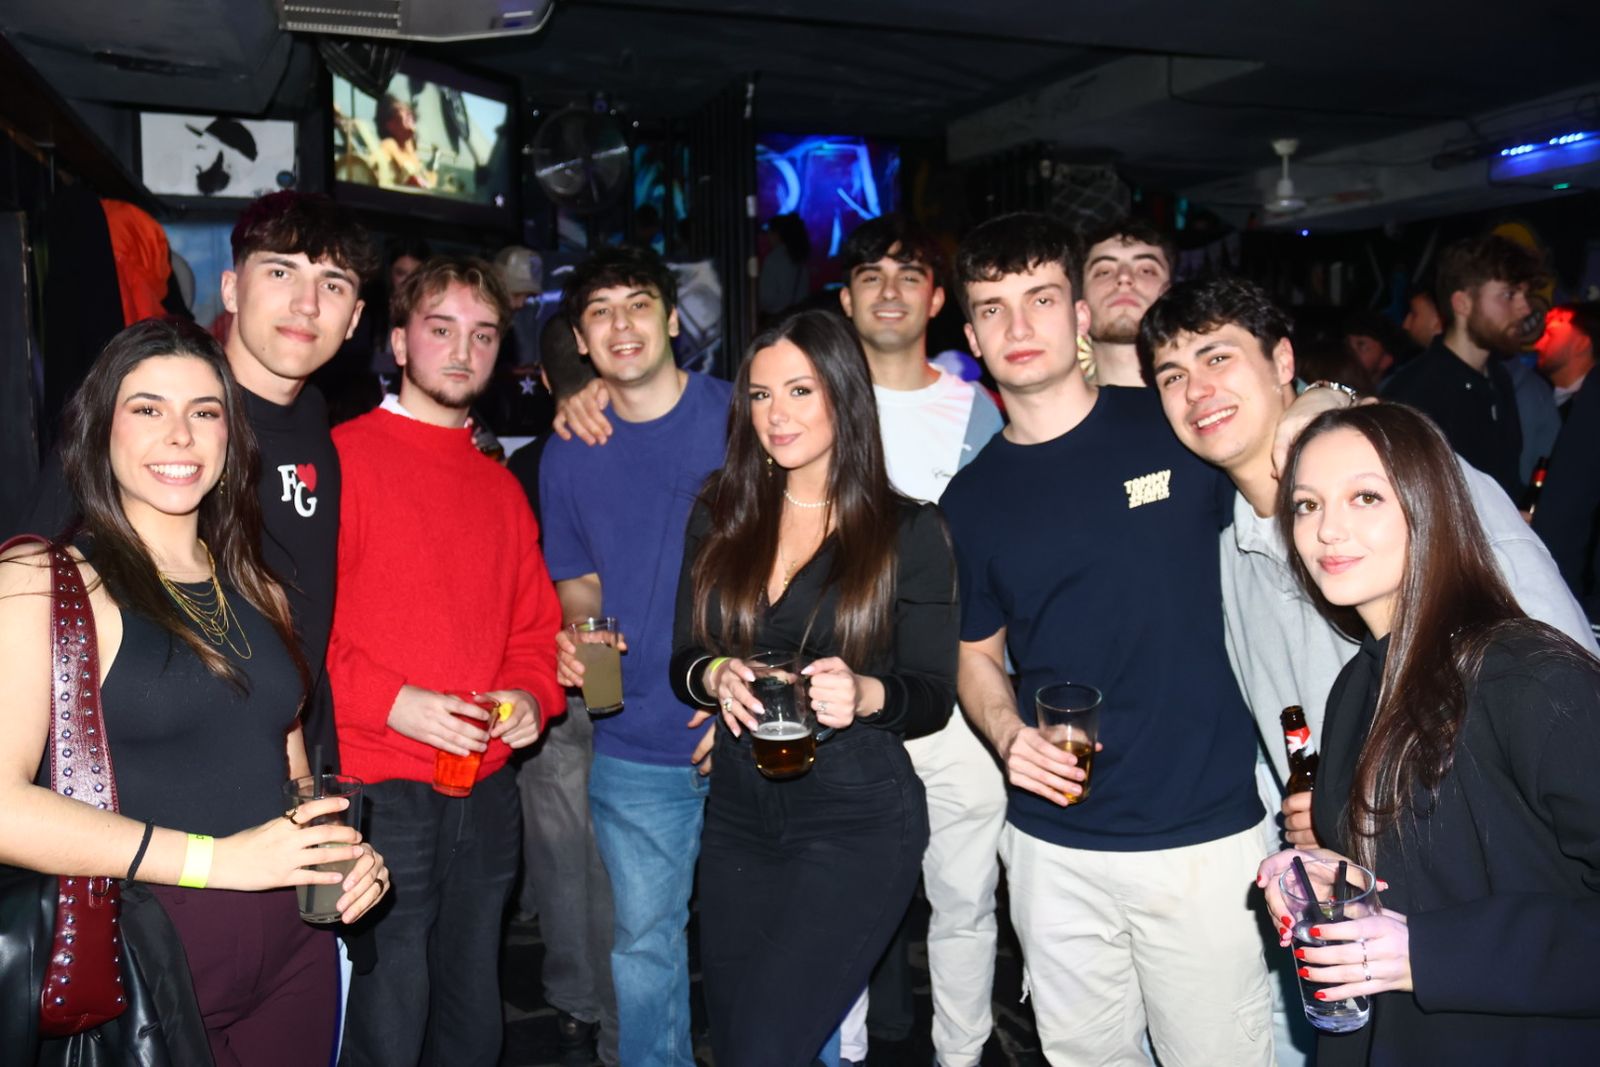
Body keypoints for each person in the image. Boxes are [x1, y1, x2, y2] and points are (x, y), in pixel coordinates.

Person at [0, 319, 388, 1066]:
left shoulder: (258, 585)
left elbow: (290, 767)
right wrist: (219, 861)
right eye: (147, 409)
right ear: (98, 431)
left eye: (204, 411)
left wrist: (341, 854)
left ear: (230, 437)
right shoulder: (44, 581)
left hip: (297, 949)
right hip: (146, 956)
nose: (179, 434)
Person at [940, 212, 1274, 1066]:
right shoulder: (969, 502)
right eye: (993, 307)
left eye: (1041, 298)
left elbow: (1289, 434)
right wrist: (1007, 732)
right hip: (1055, 846)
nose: (1018, 325)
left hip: (1203, 834)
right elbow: (975, 654)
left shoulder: (1174, 427)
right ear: (971, 333)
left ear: (1080, 316)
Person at [1259, 403, 1600, 1065]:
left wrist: (1427, 950)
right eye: (1306, 505)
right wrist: (1332, 876)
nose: (1328, 528)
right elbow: (1426, 875)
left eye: (1365, 496)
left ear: (1430, 504)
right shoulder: (1357, 685)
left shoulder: (1530, 677)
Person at [668, 308, 959, 1067]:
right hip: (736, 810)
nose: (777, 414)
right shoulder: (721, 514)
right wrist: (715, 674)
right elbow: (683, 660)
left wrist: (866, 693)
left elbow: (932, 694)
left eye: (799, 390)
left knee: (766, 1046)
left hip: (856, 817)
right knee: (737, 1041)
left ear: (843, 393)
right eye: (760, 396)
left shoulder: (908, 532)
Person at [328, 256, 563, 1067]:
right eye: (440, 329)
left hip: (487, 785)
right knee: (388, 1015)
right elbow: (292, 631)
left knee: (472, 1010)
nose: (463, 350)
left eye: (483, 334)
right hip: (379, 784)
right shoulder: (340, 459)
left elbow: (534, 631)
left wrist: (534, 697)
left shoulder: (499, 486)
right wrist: (394, 700)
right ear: (397, 341)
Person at [540, 245, 732, 1067]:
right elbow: (578, 580)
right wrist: (580, 632)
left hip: (749, 728)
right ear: (581, 339)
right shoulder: (569, 450)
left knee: (769, 936)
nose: (622, 325)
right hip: (633, 739)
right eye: (600, 311)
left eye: (638, 304)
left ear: (670, 316)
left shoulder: (741, 418)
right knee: (643, 953)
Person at [834, 215, 1006, 1066]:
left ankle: (961, 1056)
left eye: (910, 275)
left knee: (966, 901)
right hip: (843, 700)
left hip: (957, 701)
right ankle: (851, 1053)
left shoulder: (983, 412)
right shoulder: (815, 404)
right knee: (849, 901)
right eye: (871, 274)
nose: (891, 289)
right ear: (847, 297)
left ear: (938, 298)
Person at [1382, 235, 1543, 498]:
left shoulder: (1498, 378)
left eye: (1525, 295)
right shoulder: (1415, 392)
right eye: (1509, 295)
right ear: (1462, 303)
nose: (1524, 308)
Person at [1533, 302, 1600, 623]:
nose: (1539, 339)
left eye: (1554, 329)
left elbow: (1569, 505)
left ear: (1582, 342)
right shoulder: (1529, 393)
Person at [1078, 217, 1176, 387]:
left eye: (1146, 270)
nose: (1124, 277)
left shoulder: (1206, 402)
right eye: (1104, 272)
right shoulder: (1050, 409)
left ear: (1170, 292)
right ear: (1080, 297)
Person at [758, 212, 812, 319]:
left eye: (769, 232)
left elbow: (766, 298)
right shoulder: (799, 257)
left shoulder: (773, 259)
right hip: (798, 317)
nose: (768, 237)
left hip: (777, 319)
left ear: (776, 234)